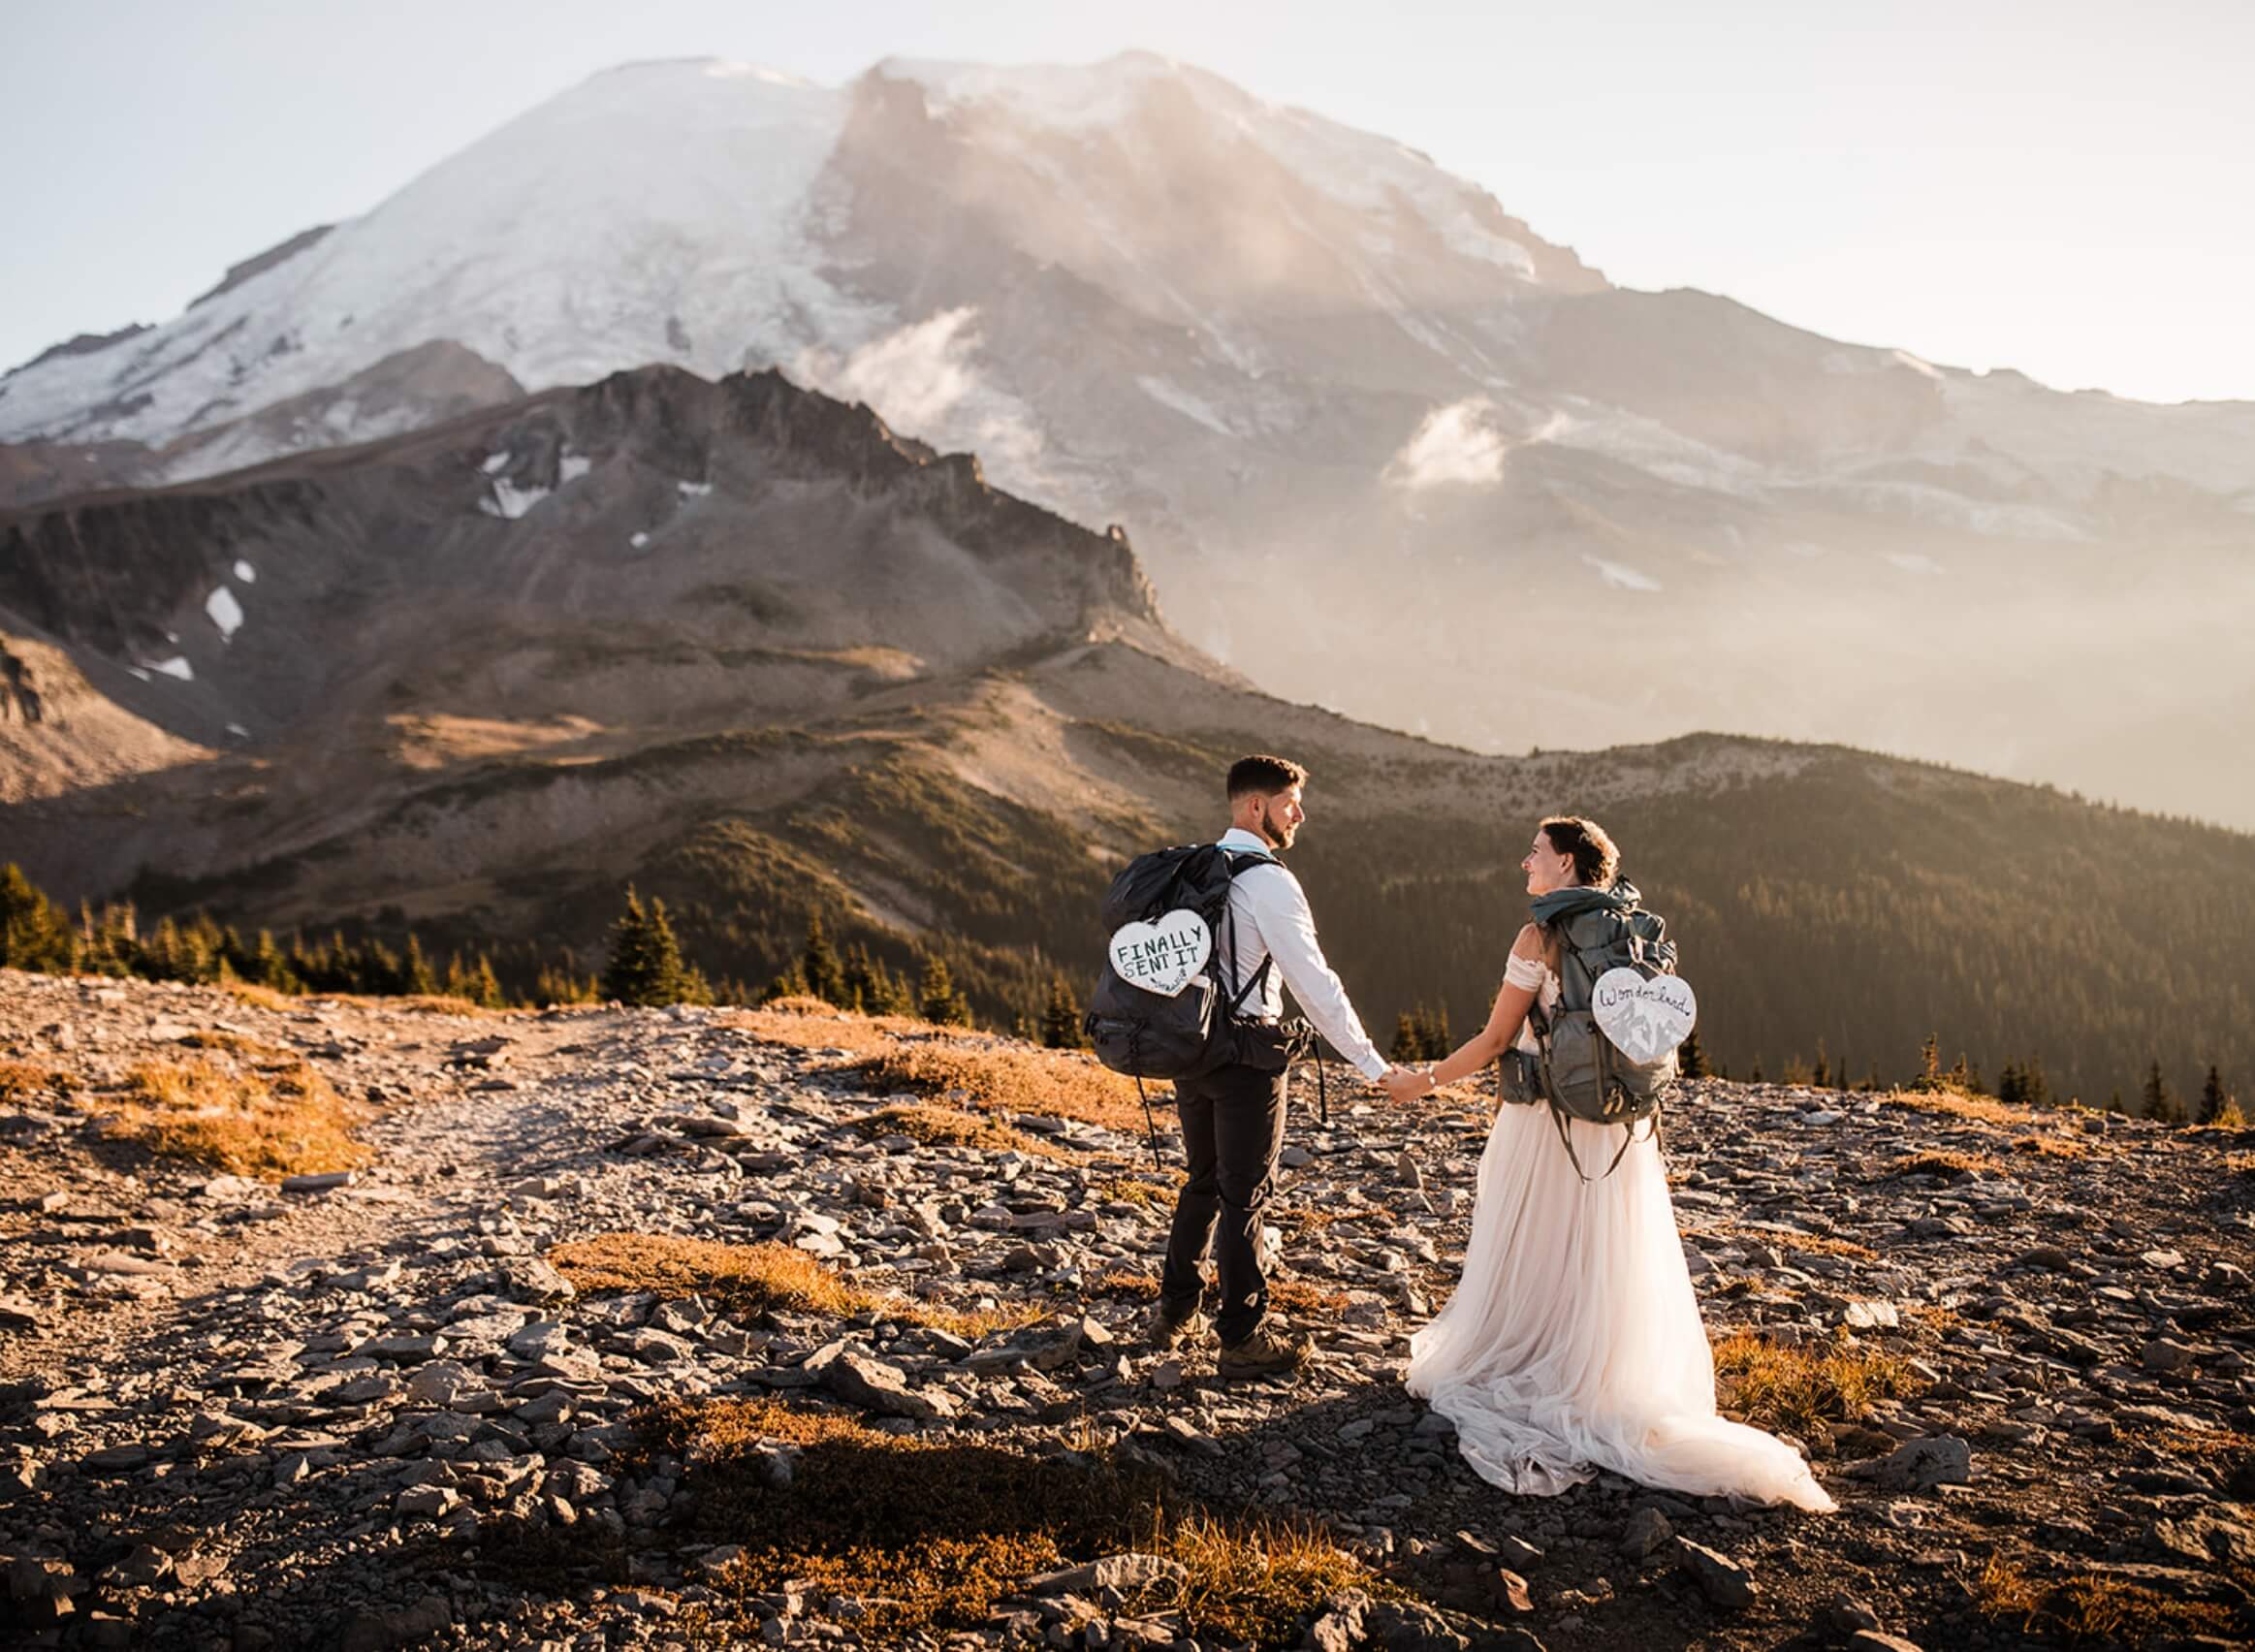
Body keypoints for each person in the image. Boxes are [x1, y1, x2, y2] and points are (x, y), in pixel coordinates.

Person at [1382, 816, 1834, 1511]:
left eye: (1535, 853)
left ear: (1565, 864)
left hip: (1546, 1121)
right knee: (1603, 1247)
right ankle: (1591, 1365)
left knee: (1533, 1237)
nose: (1524, 864)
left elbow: (1499, 1035)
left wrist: (1425, 1080)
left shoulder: (1541, 935)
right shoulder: (1635, 935)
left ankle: (1529, 1355)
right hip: (1618, 1127)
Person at [1153, 753, 1408, 1380]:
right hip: (1248, 1057)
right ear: (1255, 807)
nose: (1301, 814)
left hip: (1191, 1046)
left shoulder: (1195, 867)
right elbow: (1314, 983)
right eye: (1290, 802)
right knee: (1246, 1194)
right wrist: (1373, 1065)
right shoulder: (1268, 880)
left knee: (1203, 1180)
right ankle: (1241, 1338)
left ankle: (1174, 1314)